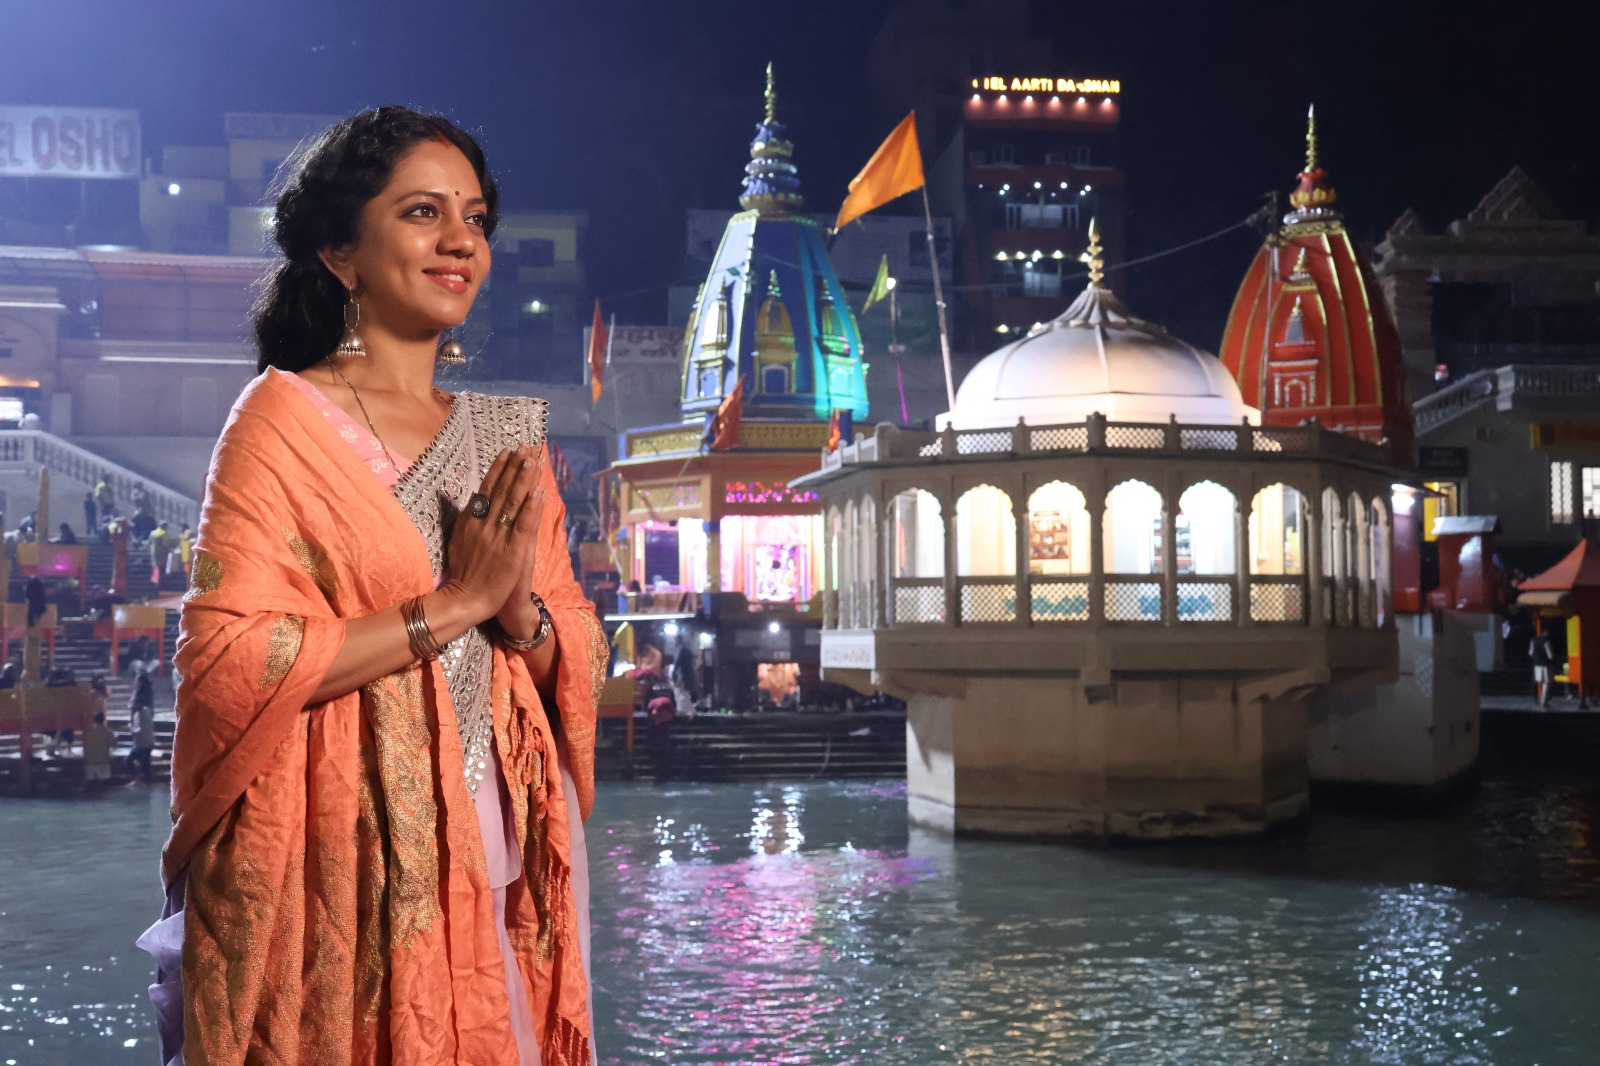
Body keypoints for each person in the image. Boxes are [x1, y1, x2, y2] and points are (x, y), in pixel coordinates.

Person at [144, 107, 604, 1066]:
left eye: (474, 218)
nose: (458, 243)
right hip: (338, 863)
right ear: (341, 252)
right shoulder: (282, 420)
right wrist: (457, 606)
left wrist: (519, 613)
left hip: (495, 841)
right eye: (422, 213)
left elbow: (576, 648)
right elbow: (230, 662)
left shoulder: (507, 434)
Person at [126, 667, 155, 782]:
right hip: (144, 742)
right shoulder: (140, 713)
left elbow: (142, 729)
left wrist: (131, 730)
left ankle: (141, 780)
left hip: (144, 742)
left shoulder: (144, 714)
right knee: (144, 764)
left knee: (141, 763)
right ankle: (143, 780)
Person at [83, 707, 114, 784]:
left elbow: (85, 748)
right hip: (103, 761)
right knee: (103, 785)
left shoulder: (88, 733)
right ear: (103, 720)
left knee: (91, 785)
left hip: (91, 762)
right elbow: (114, 744)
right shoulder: (108, 733)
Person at [1531, 628, 1556, 706]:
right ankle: (1544, 700)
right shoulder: (1546, 641)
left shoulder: (1534, 640)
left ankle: (1536, 698)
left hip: (1536, 664)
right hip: (1546, 665)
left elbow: (1531, 653)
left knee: (1538, 681)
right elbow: (1550, 655)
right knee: (1547, 682)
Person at [147, 521, 171, 585]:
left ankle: (154, 579)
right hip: (162, 552)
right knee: (161, 566)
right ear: (164, 526)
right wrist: (169, 550)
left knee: (155, 565)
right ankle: (160, 582)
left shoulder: (152, 533)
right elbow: (166, 544)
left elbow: (148, 543)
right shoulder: (164, 533)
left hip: (154, 551)